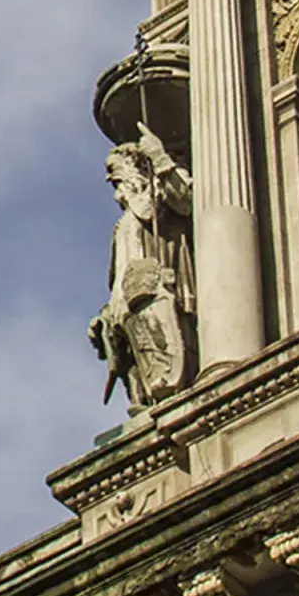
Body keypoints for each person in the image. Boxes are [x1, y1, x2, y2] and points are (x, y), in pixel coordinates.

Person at [89, 122, 195, 409]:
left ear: (137, 171)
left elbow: (187, 201)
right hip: (128, 317)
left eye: (119, 181)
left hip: (161, 297)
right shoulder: (123, 225)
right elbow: (120, 277)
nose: (117, 194)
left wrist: (159, 158)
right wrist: (106, 316)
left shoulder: (161, 192)